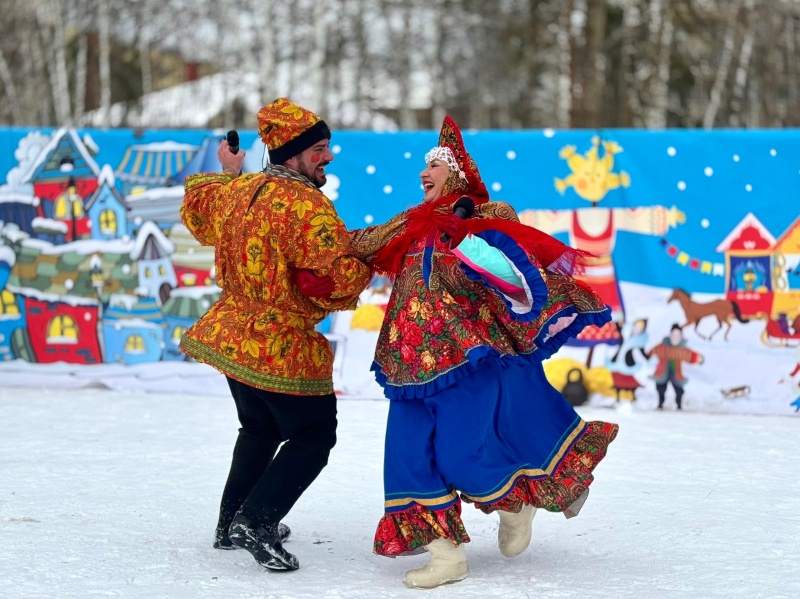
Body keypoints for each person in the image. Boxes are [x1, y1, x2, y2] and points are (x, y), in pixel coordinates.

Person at [345, 116, 619, 588]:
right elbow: (358, 244)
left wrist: (475, 232)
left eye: (432, 165)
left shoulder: (489, 215)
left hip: (467, 361)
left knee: (462, 457)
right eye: (423, 167)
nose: (422, 173)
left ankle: (517, 501)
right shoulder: (409, 222)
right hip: (407, 364)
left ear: (455, 173)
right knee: (405, 459)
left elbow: (518, 267)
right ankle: (446, 556)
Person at [179, 97, 371, 571]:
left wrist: (228, 171)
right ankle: (256, 522)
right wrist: (367, 260)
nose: (327, 156)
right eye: (320, 148)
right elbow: (336, 278)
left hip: (228, 333)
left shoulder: (240, 191)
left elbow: (198, 212)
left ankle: (230, 522)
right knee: (313, 437)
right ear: (294, 153)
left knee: (260, 428)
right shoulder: (308, 208)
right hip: (278, 343)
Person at [646, 323, 704, 410]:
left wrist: (698, 358)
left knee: (679, 390)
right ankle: (660, 403)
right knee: (660, 388)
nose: (675, 337)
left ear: (681, 336)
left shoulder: (682, 349)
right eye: (673, 335)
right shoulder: (663, 346)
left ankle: (679, 405)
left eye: (678, 335)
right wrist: (648, 356)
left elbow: (689, 355)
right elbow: (652, 352)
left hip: (676, 372)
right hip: (662, 371)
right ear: (670, 335)